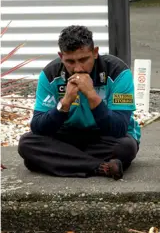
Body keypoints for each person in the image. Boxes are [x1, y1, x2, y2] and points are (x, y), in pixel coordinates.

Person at [18, 25, 141, 180]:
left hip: (104, 137)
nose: (77, 68)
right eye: (70, 61)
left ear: (95, 52)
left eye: (83, 60)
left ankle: (58, 160)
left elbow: (119, 128)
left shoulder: (118, 72)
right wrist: (65, 102)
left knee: (125, 148)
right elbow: (38, 127)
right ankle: (101, 167)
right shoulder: (50, 74)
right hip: (68, 135)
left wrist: (92, 95)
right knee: (26, 144)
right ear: (61, 56)